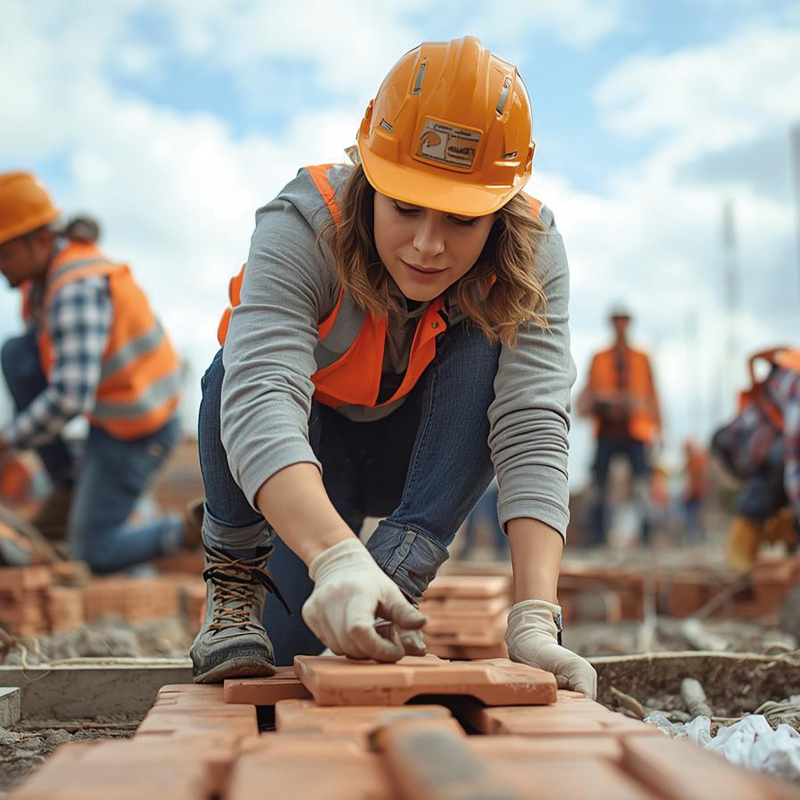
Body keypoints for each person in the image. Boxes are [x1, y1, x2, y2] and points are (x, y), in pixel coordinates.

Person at [191, 36, 596, 699]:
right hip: (310, 451)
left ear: (497, 208)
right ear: (370, 178)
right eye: (405, 206)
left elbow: (532, 422)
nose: (428, 246)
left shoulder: (531, 249)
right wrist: (334, 556)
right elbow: (261, 389)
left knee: (490, 339)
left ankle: (397, 570)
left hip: (422, 455)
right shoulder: (305, 221)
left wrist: (533, 618)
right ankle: (237, 571)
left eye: (463, 218)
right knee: (229, 368)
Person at [0, 171, 198, 572]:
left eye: (4, 252)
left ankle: (197, 528)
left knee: (93, 551)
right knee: (17, 354)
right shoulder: (40, 282)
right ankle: (68, 481)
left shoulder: (76, 288)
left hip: (140, 429)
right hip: (111, 416)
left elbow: (71, 395)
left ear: (40, 240)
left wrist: (7, 445)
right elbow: (42, 363)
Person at [576, 306, 661, 547]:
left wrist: (659, 429)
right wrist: (603, 402)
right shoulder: (599, 358)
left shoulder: (642, 358)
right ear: (612, 324)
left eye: (624, 320)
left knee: (642, 485)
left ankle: (646, 539)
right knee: (599, 486)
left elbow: (653, 395)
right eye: (617, 320)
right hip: (606, 430)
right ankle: (596, 539)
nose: (620, 325)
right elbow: (589, 390)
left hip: (636, 431)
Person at [712, 347, 800, 571]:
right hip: (745, 443)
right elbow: (794, 464)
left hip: (775, 441)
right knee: (779, 459)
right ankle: (748, 525)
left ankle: (786, 524)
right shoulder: (796, 390)